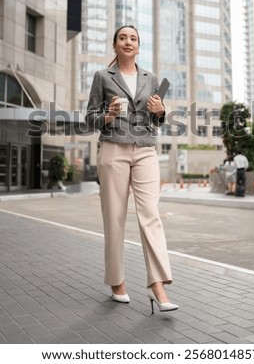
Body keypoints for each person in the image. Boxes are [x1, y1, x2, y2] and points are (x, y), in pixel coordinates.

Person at [85, 25, 178, 314]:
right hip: (114, 148)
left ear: (139, 46)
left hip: (146, 150)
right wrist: (108, 115)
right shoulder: (103, 76)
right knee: (114, 217)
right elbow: (89, 118)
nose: (128, 42)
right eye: (123, 38)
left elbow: (158, 119)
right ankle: (117, 282)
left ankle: (158, 284)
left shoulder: (151, 78)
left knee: (151, 215)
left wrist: (160, 110)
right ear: (115, 45)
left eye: (133, 38)